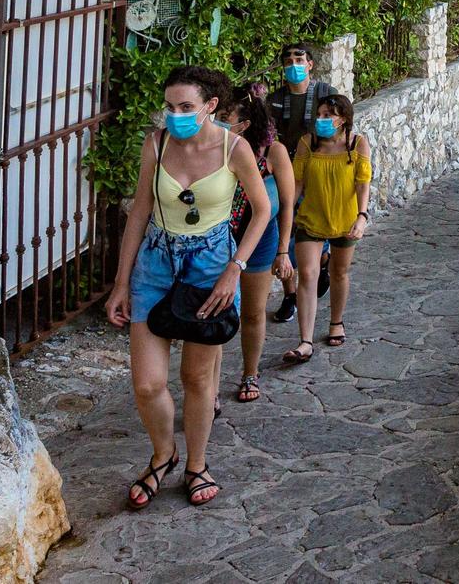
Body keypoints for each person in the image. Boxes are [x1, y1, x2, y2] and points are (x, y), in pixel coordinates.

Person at [107, 65, 270, 510]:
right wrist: (122, 282)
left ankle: (197, 464)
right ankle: (164, 454)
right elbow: (140, 210)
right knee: (147, 383)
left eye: (185, 107)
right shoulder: (156, 144)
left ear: (210, 107)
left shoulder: (233, 149)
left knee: (196, 378)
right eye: (170, 106)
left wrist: (236, 268)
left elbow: (262, 210)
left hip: (211, 265)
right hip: (155, 263)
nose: (174, 115)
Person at [282, 94, 372, 359]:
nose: (320, 120)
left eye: (327, 115)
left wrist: (362, 216)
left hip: (345, 221)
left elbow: (362, 183)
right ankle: (305, 341)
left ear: (343, 119)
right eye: (318, 115)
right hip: (310, 219)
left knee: (339, 272)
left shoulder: (357, 144)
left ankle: (336, 322)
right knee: (308, 276)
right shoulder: (306, 144)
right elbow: (296, 183)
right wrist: (286, 214)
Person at [224, 88, 295, 404]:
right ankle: (207, 387)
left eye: (227, 117)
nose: (220, 122)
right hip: (221, 240)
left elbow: (288, 203)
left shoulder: (273, 152)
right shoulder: (218, 149)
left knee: (253, 312)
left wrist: (283, 250)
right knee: (213, 315)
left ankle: (249, 374)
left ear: (246, 122)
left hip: (262, 240)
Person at [263, 43, 338, 326]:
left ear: (310, 64)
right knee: (287, 226)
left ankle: (323, 261)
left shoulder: (324, 94)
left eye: (299, 59)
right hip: (285, 172)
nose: (293, 65)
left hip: (316, 171)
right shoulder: (275, 100)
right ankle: (290, 295)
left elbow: (338, 127)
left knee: (316, 226)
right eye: (288, 60)